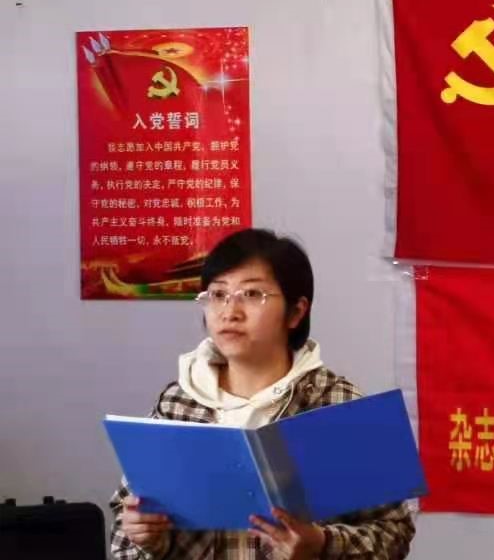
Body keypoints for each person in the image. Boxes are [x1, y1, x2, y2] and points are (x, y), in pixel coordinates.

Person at [109, 228, 416, 559]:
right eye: (218, 294)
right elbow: (125, 534)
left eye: (252, 294)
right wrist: (147, 539)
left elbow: (395, 533)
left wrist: (323, 544)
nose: (230, 311)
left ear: (296, 312)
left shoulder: (342, 405)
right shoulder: (177, 403)